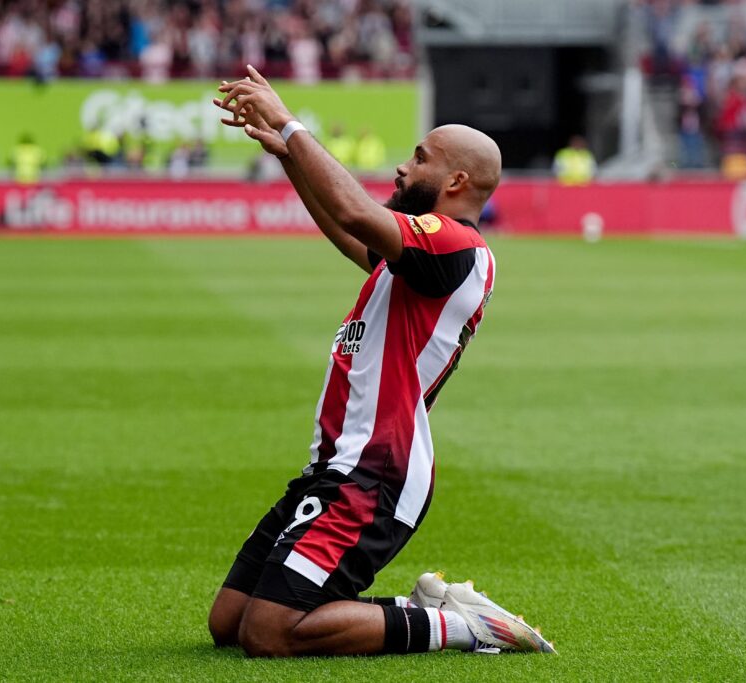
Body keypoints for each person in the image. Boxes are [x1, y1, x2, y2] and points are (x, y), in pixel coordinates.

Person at [208, 66, 555, 658]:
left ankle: (461, 628)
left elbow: (353, 212)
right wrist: (289, 157)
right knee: (230, 623)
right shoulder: (423, 253)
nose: (403, 167)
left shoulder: (454, 243)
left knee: (269, 635)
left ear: (456, 179)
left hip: (377, 473)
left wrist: (292, 127)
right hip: (340, 464)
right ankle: (426, 611)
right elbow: (351, 235)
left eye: (419, 159)